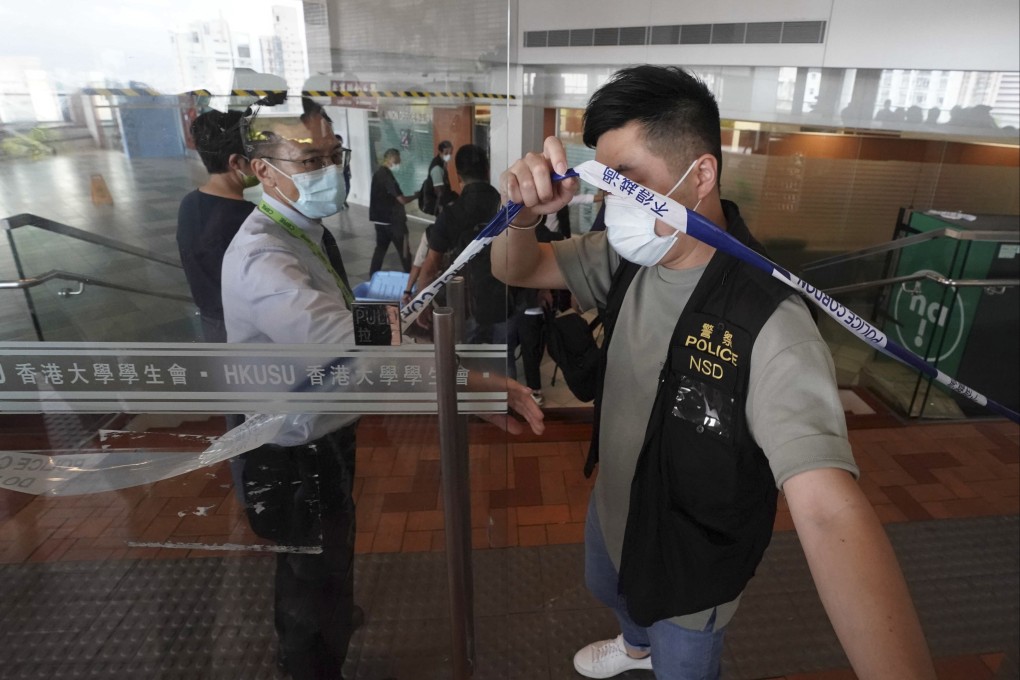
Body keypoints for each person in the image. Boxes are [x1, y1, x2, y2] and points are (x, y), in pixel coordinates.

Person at [494, 65, 936, 680]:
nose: (611, 203)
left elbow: (829, 509)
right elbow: (515, 269)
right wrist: (521, 214)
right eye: (604, 183)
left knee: (685, 660)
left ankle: (657, 651)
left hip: (691, 549)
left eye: (629, 181)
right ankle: (634, 646)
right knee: (608, 586)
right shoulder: (628, 257)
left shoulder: (771, 323)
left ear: (699, 175)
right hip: (616, 499)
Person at [221, 104, 362, 680]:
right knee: (312, 571)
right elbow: (337, 339)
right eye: (309, 160)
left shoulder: (301, 230)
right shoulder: (263, 255)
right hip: (293, 445)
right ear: (262, 169)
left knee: (323, 558)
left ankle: (328, 628)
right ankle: (310, 666)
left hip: (323, 426)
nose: (327, 171)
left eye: (333, 157)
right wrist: (400, 327)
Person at [176, 109, 257, 342]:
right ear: (236, 162)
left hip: (211, 318)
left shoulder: (190, 203)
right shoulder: (248, 220)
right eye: (255, 154)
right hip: (244, 324)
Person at [419, 144, 511, 344]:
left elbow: (430, 265)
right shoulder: (506, 208)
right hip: (505, 301)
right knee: (504, 361)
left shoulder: (450, 213)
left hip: (466, 305)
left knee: (466, 365)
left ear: (459, 177)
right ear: (487, 171)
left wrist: (422, 303)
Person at [369, 148, 416, 275]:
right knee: (404, 251)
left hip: (380, 220)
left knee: (380, 249)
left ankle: (373, 276)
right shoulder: (387, 176)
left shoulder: (378, 173)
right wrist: (417, 195)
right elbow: (402, 200)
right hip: (394, 222)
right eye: (397, 160)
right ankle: (408, 277)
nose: (399, 163)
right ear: (389, 159)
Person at [426, 139, 454, 215]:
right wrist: (448, 203)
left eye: (450, 153)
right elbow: (439, 191)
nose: (449, 155)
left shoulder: (442, 163)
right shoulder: (437, 168)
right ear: (440, 152)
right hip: (440, 204)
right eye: (446, 153)